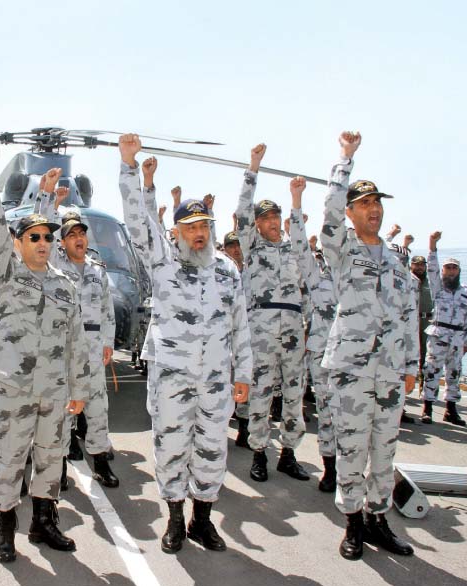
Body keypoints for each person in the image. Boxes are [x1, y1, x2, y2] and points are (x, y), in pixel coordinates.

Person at [118, 134, 252, 554]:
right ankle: (175, 520)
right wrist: (131, 168)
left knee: (212, 450)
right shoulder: (162, 261)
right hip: (172, 378)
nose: (198, 234)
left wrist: (243, 374)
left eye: (204, 227)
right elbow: (138, 224)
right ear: (176, 231)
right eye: (190, 228)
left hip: (215, 380)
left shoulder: (227, 269)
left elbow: (241, 325)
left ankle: (202, 521)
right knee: (171, 447)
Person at [0, 144, 90, 563]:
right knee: (9, 458)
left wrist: (78, 389)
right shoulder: (7, 275)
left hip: (55, 390)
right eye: (34, 237)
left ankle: (44, 522)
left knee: (50, 458)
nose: (43, 243)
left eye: (48, 237)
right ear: (20, 243)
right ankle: (5, 528)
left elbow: (77, 343)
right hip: (15, 387)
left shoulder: (65, 285)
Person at [320, 131, 418, 560]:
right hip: (352, 369)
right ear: (351, 211)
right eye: (364, 204)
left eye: (377, 203)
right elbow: (326, 215)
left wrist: (413, 364)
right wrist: (345, 160)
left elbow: (410, 315)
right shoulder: (342, 247)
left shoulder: (397, 260)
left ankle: (379, 520)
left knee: (385, 449)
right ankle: (353, 525)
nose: (374, 210)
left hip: (391, 372)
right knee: (351, 447)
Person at [33, 170, 119, 489]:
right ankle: (62, 463)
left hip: (93, 350)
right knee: (63, 408)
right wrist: (49, 197)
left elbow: (108, 309)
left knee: (98, 407)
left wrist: (109, 341)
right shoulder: (55, 267)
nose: (78, 238)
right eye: (71, 235)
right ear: (62, 241)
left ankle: (99, 458)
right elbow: (43, 229)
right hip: (64, 348)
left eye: (81, 233)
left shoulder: (97, 270)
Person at [234, 144, 310, 483]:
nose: (273, 222)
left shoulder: (294, 249)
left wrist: (296, 200)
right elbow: (241, 210)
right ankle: (260, 453)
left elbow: (302, 235)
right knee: (262, 391)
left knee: (294, 393)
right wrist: (253, 167)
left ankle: (290, 454)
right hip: (262, 330)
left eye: (276, 217)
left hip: (293, 329)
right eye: (266, 218)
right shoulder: (252, 247)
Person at [288, 177, 339, 492]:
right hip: (323, 356)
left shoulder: (365, 277)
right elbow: (297, 246)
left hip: (360, 358)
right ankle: (330, 468)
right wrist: (296, 203)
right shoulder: (318, 280)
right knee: (329, 415)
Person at [420, 232, 467, 425]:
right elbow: (431, 268)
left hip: (458, 338)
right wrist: (432, 246)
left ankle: (451, 410)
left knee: (454, 374)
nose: (451, 271)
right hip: (438, 335)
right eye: (448, 268)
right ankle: (428, 408)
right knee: (432, 372)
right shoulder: (437, 288)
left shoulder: (466, 292)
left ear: (458, 271)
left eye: (454, 268)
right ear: (443, 271)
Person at [410, 255, 434, 397]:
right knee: (411, 354)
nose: (419, 267)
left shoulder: (431, 282)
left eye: (422, 264)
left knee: (426, 357)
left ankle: (423, 390)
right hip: (412, 320)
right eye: (416, 264)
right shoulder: (407, 279)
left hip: (427, 321)